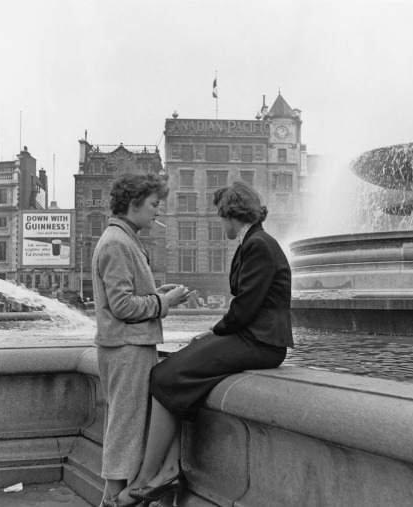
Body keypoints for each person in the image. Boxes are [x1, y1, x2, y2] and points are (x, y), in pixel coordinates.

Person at [109, 180, 294, 507]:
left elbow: (245, 309)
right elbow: (244, 309)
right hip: (252, 337)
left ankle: (145, 480)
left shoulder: (259, 245)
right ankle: (167, 470)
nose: (218, 222)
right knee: (169, 372)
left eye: (219, 217)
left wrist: (213, 332)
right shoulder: (254, 242)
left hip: (262, 343)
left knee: (166, 376)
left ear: (231, 214)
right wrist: (214, 333)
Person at [93, 173, 190, 507]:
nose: (157, 211)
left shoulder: (123, 238)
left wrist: (156, 294)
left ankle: (116, 498)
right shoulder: (118, 243)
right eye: (152, 204)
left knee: (128, 424)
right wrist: (165, 303)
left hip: (128, 346)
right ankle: (112, 501)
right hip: (126, 349)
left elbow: (126, 296)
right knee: (124, 427)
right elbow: (121, 306)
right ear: (133, 204)